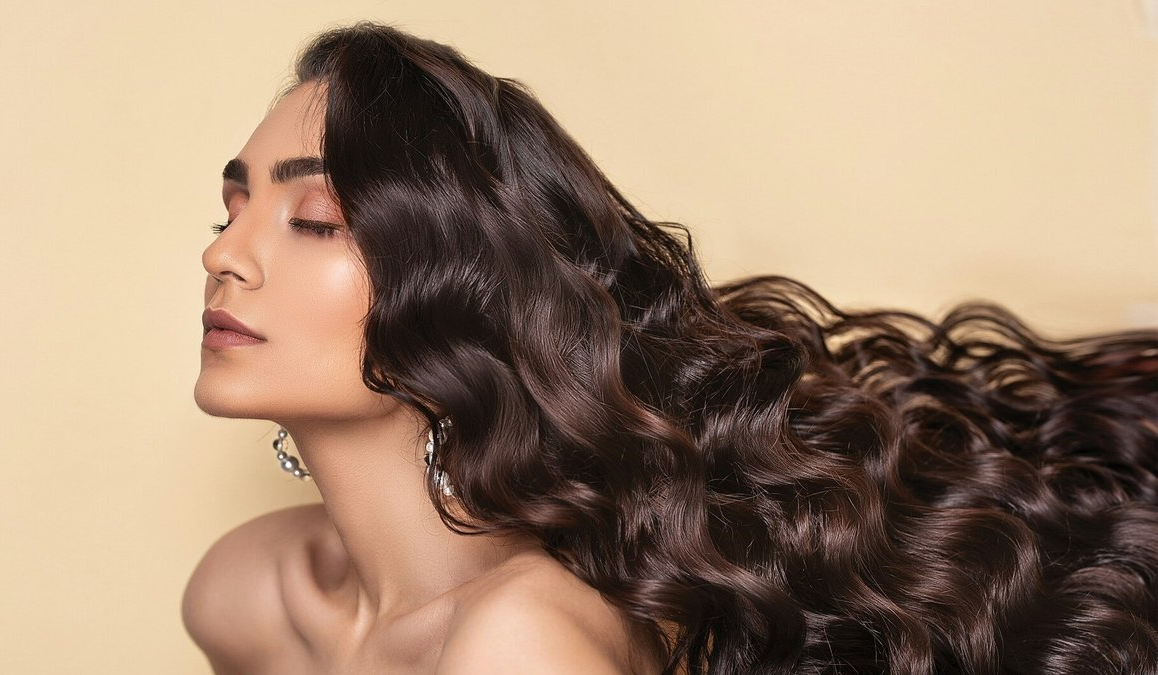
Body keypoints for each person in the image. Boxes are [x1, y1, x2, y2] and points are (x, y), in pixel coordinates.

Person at [181, 20, 1158, 675]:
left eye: (315, 219)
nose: (223, 254)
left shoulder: (517, 643)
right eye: (233, 208)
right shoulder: (247, 594)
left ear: (464, 291)